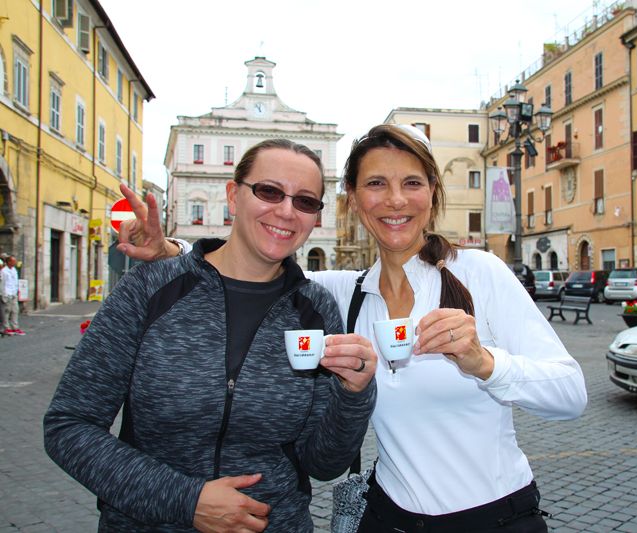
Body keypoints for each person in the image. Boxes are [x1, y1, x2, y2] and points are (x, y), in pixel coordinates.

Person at [121, 125, 588, 532]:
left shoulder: (480, 273)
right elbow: (252, 269)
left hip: (494, 519)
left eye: (411, 183)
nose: (395, 200)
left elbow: (571, 396)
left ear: (432, 192)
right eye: (376, 184)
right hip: (388, 519)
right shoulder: (343, 292)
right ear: (352, 197)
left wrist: (485, 363)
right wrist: (173, 250)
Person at [43, 139, 378, 533]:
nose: (286, 211)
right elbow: (69, 426)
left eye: (305, 201)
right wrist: (186, 500)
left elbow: (323, 464)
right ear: (233, 197)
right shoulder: (150, 289)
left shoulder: (316, 309)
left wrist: (355, 395)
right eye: (269, 191)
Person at [1, 255, 25, 336]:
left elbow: (15, 282)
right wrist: (3, 293)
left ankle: (15, 327)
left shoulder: (14, 270)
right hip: (7, 293)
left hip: (13, 293)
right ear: (9, 262)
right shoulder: (3, 271)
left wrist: (17, 291)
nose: (15, 263)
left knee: (15, 310)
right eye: (13, 261)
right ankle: (6, 328)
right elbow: (2, 283)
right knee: (7, 311)